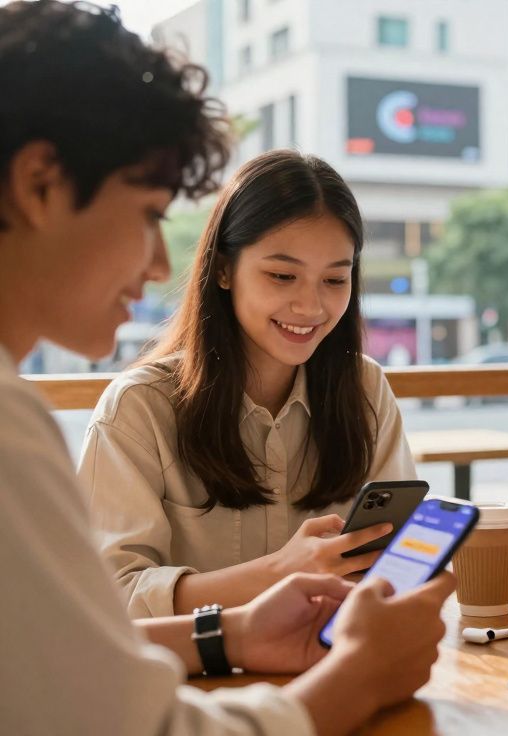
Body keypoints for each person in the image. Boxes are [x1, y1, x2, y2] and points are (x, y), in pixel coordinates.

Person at [0, 3, 452, 734]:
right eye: (148, 212)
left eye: (336, 278)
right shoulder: (48, 419)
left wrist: (238, 631)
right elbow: (127, 714)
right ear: (40, 182)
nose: (154, 264)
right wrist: (351, 672)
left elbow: (73, 662)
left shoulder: (365, 389)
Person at [79, 148, 415, 618]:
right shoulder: (141, 407)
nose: (311, 307)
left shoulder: (364, 388)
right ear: (222, 268)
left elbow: (396, 561)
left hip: (334, 665)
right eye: (282, 275)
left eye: (335, 280)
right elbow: (107, 595)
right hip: (192, 683)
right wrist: (280, 574)